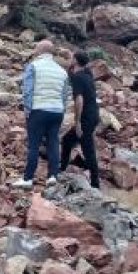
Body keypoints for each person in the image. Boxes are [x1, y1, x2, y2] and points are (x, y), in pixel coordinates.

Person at [12, 40, 71, 188]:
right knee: (53, 143)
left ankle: (28, 178)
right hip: (57, 111)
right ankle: (53, 176)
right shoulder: (62, 71)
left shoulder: (34, 66)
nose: (34, 50)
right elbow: (65, 95)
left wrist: (27, 111)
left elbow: (28, 91)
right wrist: (62, 110)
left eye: (36, 48)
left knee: (34, 145)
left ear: (40, 50)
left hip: (38, 110)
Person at [59, 50, 101, 188]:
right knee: (67, 140)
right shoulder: (86, 75)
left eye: (72, 58)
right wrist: (68, 54)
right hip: (94, 114)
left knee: (88, 149)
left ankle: (95, 184)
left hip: (86, 118)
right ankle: (62, 170)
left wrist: (77, 123)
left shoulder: (79, 77)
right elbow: (70, 71)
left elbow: (79, 100)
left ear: (76, 61)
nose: (70, 59)